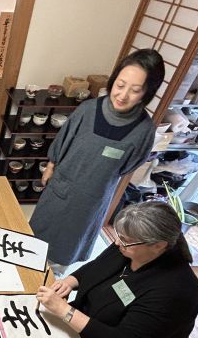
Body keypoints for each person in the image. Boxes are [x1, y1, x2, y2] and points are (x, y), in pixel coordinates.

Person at [35, 201, 198, 338]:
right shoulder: (129, 243)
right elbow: (98, 266)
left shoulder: (175, 291)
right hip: (93, 320)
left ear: (159, 245)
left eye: (125, 241)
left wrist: (64, 310)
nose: (117, 243)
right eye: (118, 236)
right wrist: (70, 281)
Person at [29, 49, 165, 271]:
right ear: (113, 80)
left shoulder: (144, 130)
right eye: (120, 85)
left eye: (135, 90)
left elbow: (129, 166)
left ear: (147, 93)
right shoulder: (88, 110)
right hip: (62, 185)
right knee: (37, 236)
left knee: (68, 246)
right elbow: (64, 139)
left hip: (93, 199)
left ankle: (55, 275)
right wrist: (51, 165)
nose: (123, 95)